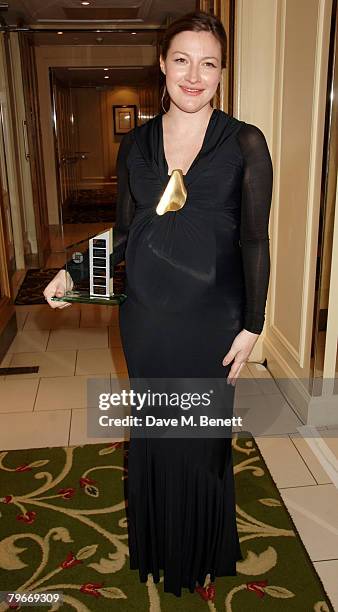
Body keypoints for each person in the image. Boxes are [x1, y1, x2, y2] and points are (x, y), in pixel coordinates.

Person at [43, 10, 273, 602]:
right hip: (146, 316)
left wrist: (254, 323)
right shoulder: (136, 143)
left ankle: (199, 550)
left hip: (211, 320)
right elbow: (123, 229)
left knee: (198, 440)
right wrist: (73, 271)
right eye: (182, 60)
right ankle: (160, 543)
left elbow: (254, 239)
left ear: (222, 72)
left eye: (209, 63)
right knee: (154, 434)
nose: (194, 75)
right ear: (162, 65)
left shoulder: (246, 141)